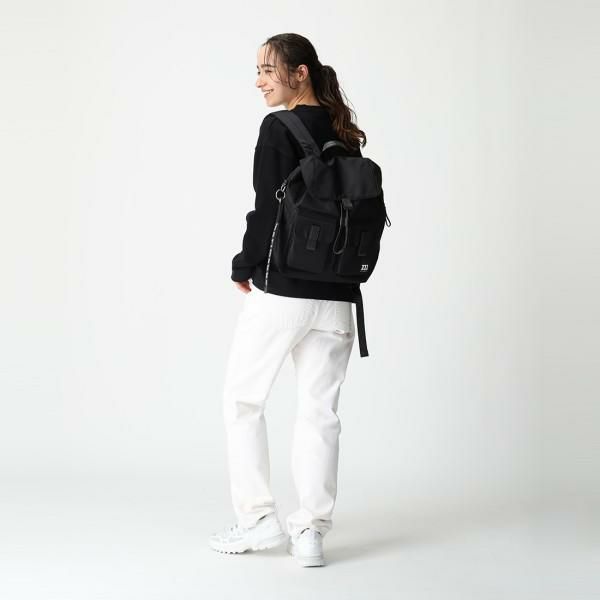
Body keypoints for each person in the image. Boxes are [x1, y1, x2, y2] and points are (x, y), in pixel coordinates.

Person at [208, 33, 367, 567]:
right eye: (257, 70)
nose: (258, 81)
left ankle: (258, 519)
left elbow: (266, 210)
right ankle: (311, 534)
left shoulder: (279, 127)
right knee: (320, 414)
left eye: (267, 70)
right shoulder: (344, 132)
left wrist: (244, 265)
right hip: (339, 297)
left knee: (243, 401)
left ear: (300, 73)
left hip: (284, 293)